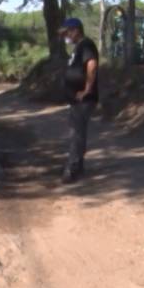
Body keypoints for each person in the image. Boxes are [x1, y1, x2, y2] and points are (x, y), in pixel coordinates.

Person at [59, 18, 99, 183]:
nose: (66, 36)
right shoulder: (78, 47)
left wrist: (87, 89)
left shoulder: (86, 45)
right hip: (76, 100)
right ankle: (78, 166)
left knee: (76, 134)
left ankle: (73, 169)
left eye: (67, 32)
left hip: (84, 99)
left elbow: (92, 65)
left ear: (75, 30)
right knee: (77, 133)